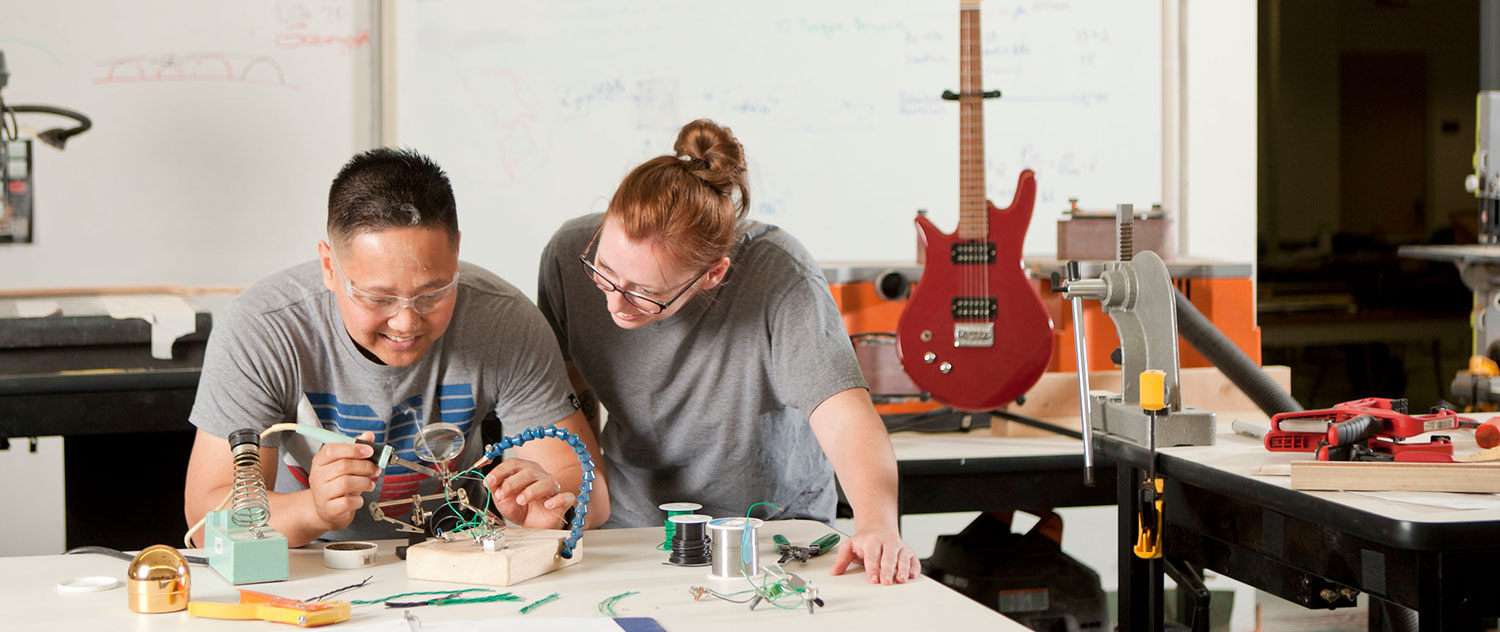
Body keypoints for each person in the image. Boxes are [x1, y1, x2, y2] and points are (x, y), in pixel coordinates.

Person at [537, 119, 919, 584]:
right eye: (605, 270)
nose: (615, 302)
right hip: (635, 528)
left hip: (771, 532)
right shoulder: (565, 255)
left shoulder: (781, 277)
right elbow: (570, 398)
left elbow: (845, 418)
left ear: (714, 274)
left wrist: (877, 524)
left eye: (645, 292)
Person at [185, 148, 608, 547]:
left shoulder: (503, 322)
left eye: (432, 293)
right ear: (330, 267)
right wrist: (312, 510)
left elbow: (591, 491)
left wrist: (548, 512)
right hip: (308, 564)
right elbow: (207, 524)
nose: (406, 323)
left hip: (458, 556)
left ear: (456, 252)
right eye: (378, 298)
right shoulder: (266, 329)